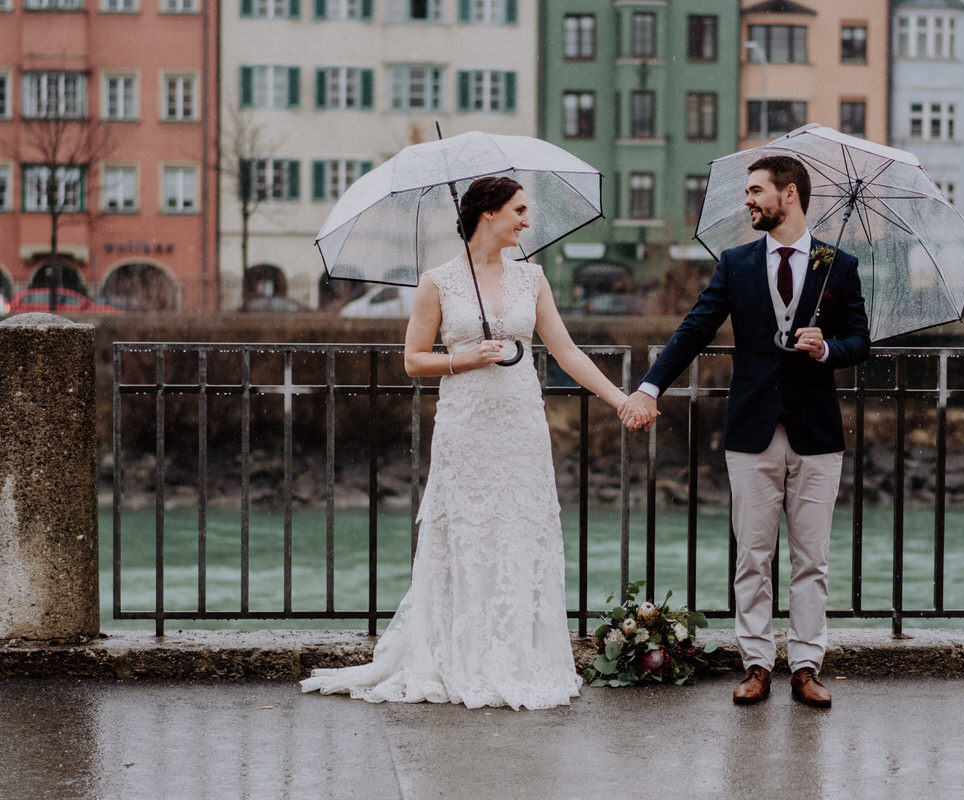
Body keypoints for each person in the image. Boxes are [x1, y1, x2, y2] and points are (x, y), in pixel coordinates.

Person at [302, 176, 650, 710]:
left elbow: (567, 353)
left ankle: (518, 658)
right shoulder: (437, 281)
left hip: (520, 425)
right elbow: (414, 359)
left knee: (519, 532)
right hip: (466, 429)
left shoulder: (532, 278)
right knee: (467, 535)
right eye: (519, 210)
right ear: (488, 214)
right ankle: (460, 657)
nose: (527, 221)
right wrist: (466, 357)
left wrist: (619, 398)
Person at [619, 156, 870, 708]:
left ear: (791, 194)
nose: (748, 201)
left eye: (757, 191)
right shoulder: (735, 263)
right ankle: (756, 663)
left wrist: (826, 348)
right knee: (753, 555)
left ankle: (806, 666)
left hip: (817, 432)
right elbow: (694, 329)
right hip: (751, 429)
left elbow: (861, 341)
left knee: (812, 559)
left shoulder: (838, 264)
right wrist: (649, 388)